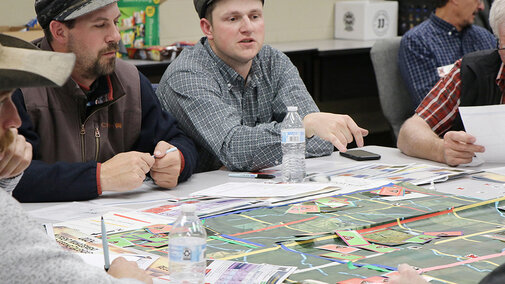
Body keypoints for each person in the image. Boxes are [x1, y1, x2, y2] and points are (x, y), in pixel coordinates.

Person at [0, 33, 151, 283]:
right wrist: (126, 278)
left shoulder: (131, 78)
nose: (14, 120)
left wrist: (6, 180)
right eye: (3, 101)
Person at [11, 0, 198, 202]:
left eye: (115, 22)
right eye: (100, 25)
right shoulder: (16, 87)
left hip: (119, 223)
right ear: (59, 32)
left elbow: (177, 139)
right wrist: (100, 177)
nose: (115, 36)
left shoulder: (131, 81)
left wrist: (177, 158)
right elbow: (11, 176)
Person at [156, 0, 369, 172]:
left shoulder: (273, 62)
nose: (248, 27)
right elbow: (234, 150)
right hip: (195, 201)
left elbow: (321, 141)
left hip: (261, 192)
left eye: (255, 16)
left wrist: (258, 152)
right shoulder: (187, 74)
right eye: (233, 19)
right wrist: (300, 130)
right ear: (207, 27)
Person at [397, 0, 505, 166]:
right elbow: (409, 132)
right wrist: (441, 150)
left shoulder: (481, 36)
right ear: (498, 44)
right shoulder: (473, 69)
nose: (480, 6)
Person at [398, 0, 496, 107]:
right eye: (477, 0)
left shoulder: (484, 37)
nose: (481, 7)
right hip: (450, 121)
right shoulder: (417, 41)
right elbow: (431, 106)